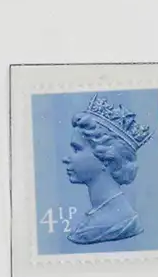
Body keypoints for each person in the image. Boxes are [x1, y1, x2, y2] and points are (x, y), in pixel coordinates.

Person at [59, 94, 152, 246]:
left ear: (107, 158)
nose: (66, 158)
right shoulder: (99, 214)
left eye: (76, 149)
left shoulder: (123, 222)